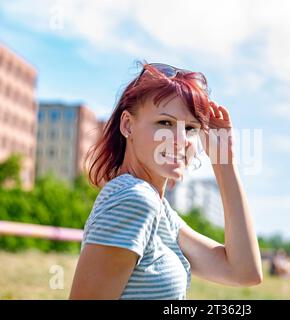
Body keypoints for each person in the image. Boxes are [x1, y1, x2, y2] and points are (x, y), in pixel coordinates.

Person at [69, 62, 263, 300]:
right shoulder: (134, 200)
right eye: (165, 123)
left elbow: (244, 272)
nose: (180, 140)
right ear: (128, 125)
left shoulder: (159, 209)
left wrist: (224, 161)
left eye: (191, 128)